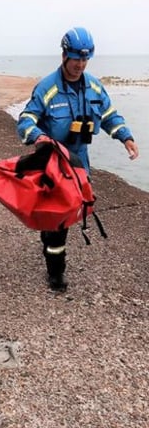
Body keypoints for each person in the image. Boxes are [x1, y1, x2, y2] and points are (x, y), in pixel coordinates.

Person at [16, 27, 139, 292]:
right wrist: (39, 138)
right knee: (58, 221)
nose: (80, 65)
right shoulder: (47, 88)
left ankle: (50, 238)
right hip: (53, 163)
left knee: (68, 214)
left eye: (85, 60)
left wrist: (126, 138)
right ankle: (56, 272)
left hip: (79, 163)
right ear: (64, 56)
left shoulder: (94, 86)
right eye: (75, 59)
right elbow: (25, 120)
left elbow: (109, 116)